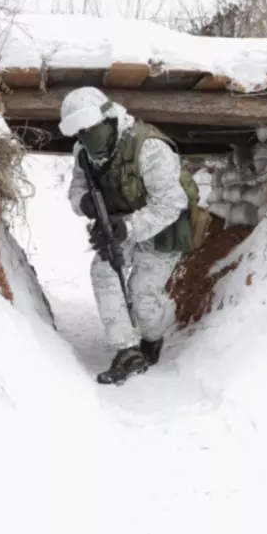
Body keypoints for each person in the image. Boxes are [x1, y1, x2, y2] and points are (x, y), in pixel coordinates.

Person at [59, 86, 208, 385]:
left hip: (164, 227)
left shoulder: (150, 148)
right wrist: (85, 203)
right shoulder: (84, 153)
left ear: (109, 121)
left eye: (91, 130)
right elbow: (76, 190)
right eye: (80, 134)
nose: (86, 139)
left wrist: (127, 227)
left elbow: (171, 203)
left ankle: (152, 339)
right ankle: (127, 351)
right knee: (104, 272)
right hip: (121, 225)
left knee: (143, 295)